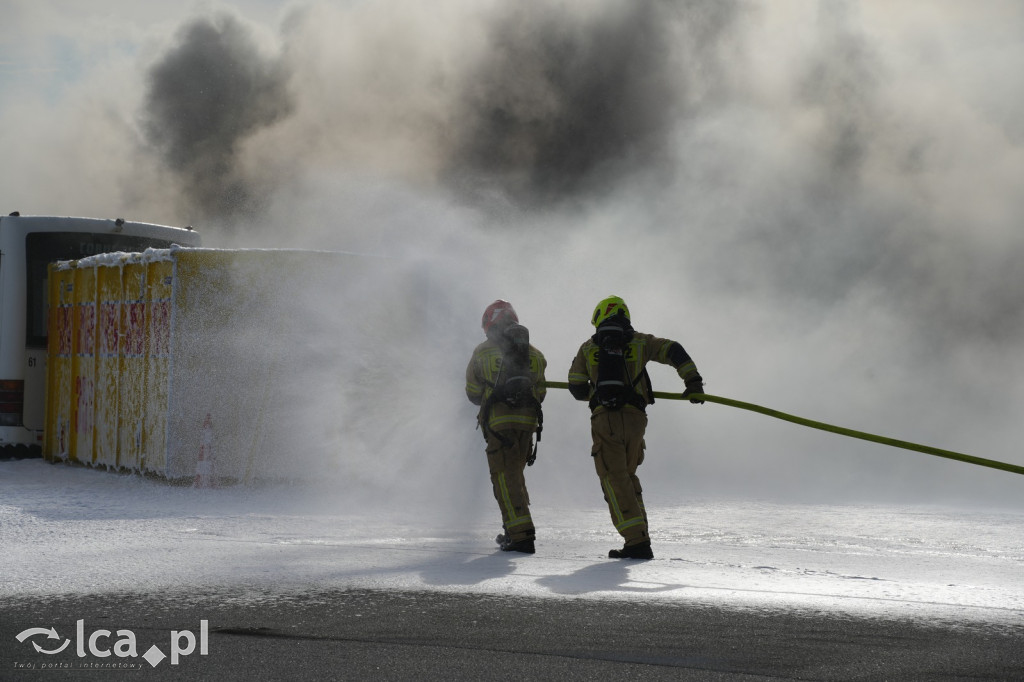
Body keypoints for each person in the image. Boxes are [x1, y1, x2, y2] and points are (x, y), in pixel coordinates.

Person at [567, 295, 704, 560]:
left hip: (605, 419)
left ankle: (635, 541)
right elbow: (674, 350)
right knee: (627, 476)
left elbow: (575, 386)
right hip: (636, 419)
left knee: (613, 478)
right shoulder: (641, 342)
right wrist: (693, 381)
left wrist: (598, 395)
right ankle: (640, 537)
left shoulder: (588, 348)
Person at [466, 300, 547, 554]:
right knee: (515, 475)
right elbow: (541, 392)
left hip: (499, 423)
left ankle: (521, 535)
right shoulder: (535, 353)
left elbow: (473, 391)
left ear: (489, 323)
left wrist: (492, 398)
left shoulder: (483, 351)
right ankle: (513, 530)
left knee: (504, 477)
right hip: (527, 423)